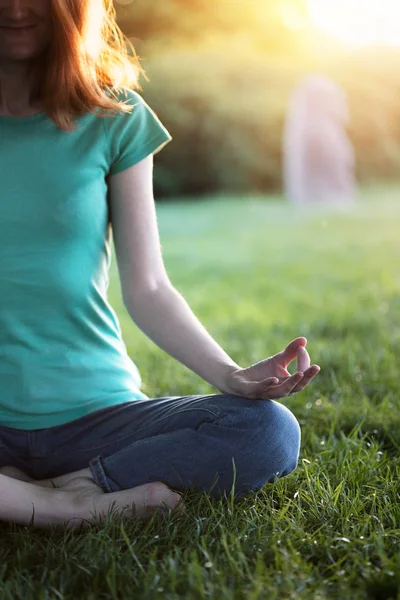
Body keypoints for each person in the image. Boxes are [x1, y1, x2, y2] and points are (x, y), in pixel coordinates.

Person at [0, 0, 320, 528]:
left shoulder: (114, 117)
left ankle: (70, 485)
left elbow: (147, 287)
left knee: (267, 431)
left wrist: (231, 376)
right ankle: (56, 507)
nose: (14, 8)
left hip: (96, 416)